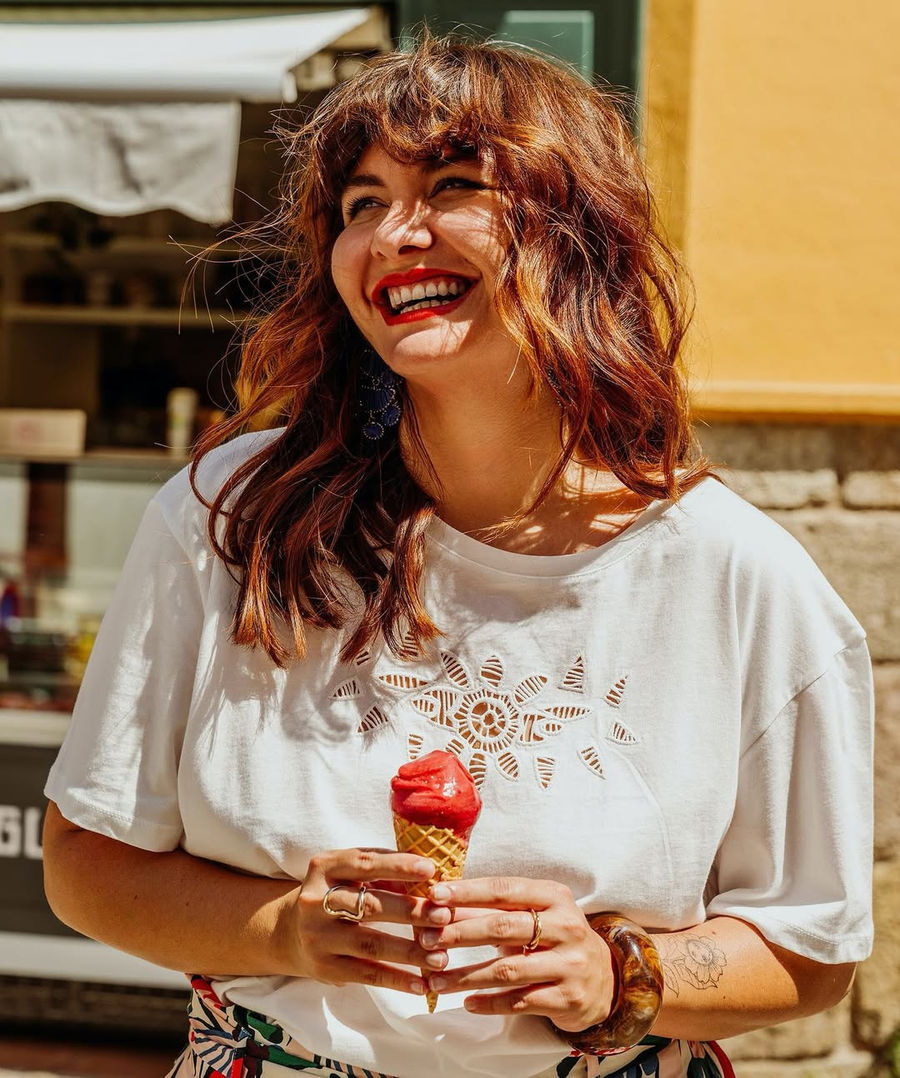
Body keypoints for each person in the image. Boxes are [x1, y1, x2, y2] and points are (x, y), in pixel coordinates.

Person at [42, 35, 873, 1078]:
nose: (396, 234)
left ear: (579, 232)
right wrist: (286, 931)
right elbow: (86, 861)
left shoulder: (738, 578)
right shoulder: (230, 520)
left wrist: (625, 975)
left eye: (452, 186)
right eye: (362, 204)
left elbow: (812, 949)